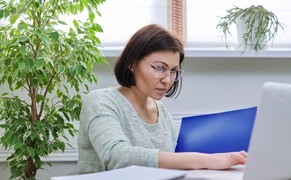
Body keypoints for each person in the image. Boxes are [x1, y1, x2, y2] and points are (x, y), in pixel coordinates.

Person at [77, 24, 247, 172]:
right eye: (159, 68)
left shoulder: (161, 111)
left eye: (174, 71)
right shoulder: (100, 102)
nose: (167, 80)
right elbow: (118, 157)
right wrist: (204, 160)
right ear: (131, 63)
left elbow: (169, 165)